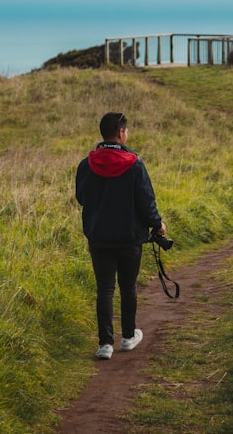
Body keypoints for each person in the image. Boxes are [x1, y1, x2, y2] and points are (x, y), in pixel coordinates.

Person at [75, 112, 167, 360]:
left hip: (99, 236)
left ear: (103, 133)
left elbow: (81, 198)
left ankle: (105, 344)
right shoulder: (135, 164)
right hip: (129, 237)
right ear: (121, 133)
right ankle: (127, 337)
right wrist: (157, 224)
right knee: (128, 287)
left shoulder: (87, 165)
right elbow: (146, 202)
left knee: (104, 289)